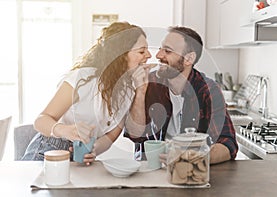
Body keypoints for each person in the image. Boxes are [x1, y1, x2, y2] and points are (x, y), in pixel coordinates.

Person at [21, 22, 152, 165]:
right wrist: (65, 130)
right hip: (48, 150)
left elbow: (112, 136)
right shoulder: (82, 79)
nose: (149, 55)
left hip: (79, 157)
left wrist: (94, 150)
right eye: (141, 51)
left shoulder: (128, 89)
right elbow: (40, 121)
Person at [124, 26, 238, 164]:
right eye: (161, 48)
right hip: (149, 169)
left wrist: (192, 158)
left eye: (167, 51)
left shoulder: (208, 90)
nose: (158, 55)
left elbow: (228, 144)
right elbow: (135, 135)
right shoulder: (150, 82)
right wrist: (140, 92)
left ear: (188, 59)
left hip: (189, 173)